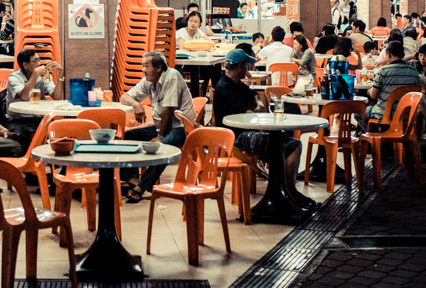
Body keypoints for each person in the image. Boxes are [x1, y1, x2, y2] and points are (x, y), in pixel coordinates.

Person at [212, 49, 312, 205]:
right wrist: (257, 111)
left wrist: (258, 103)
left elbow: (255, 95)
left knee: (286, 141)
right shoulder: (225, 87)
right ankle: (287, 192)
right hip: (236, 138)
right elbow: (248, 116)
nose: (249, 69)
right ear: (240, 67)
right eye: (247, 65)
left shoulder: (235, 84)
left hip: (244, 134)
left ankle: (285, 191)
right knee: (288, 144)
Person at [119, 51, 197, 203]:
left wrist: (160, 136)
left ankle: (142, 187)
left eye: (146, 66)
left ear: (159, 67)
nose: (143, 70)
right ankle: (132, 179)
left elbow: (168, 110)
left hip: (182, 127)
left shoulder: (172, 76)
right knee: (130, 136)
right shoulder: (148, 80)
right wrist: (136, 104)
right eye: (143, 66)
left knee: (163, 147)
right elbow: (124, 97)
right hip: (160, 125)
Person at [5, 49, 64, 145]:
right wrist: (35, 74)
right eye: (35, 61)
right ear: (25, 65)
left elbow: (57, 96)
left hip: (39, 118)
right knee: (23, 139)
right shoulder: (14, 78)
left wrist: (61, 74)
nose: (39, 63)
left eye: (39, 60)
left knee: (59, 131)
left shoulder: (43, 75)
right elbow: (24, 97)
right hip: (19, 119)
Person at [366, 41, 420, 125]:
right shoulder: (414, 72)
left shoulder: (383, 71)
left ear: (388, 54)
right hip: (406, 114)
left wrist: (369, 91)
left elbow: (373, 95)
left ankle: (372, 134)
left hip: (384, 114)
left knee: (359, 113)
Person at [176, 11, 218, 96]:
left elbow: (210, 43)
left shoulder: (198, 32)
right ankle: (199, 94)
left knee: (213, 68)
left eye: (196, 22)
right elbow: (182, 47)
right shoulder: (181, 32)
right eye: (191, 20)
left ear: (199, 24)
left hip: (197, 61)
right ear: (187, 21)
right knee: (207, 69)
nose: (193, 23)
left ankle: (207, 93)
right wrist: (199, 45)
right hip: (184, 63)